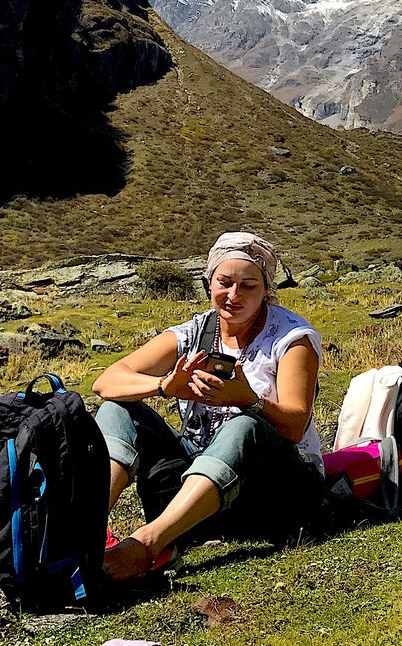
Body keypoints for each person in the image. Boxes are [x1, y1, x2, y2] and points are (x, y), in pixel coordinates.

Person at [91, 231, 325, 579]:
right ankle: (83, 530)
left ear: (266, 291)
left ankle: (147, 545)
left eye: (248, 286)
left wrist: (250, 401)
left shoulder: (292, 339)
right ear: (209, 282)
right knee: (117, 408)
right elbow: (105, 382)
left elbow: (294, 425)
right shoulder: (195, 332)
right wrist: (164, 387)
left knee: (244, 426)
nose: (234, 295)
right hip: (198, 486)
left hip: (274, 490)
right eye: (224, 282)